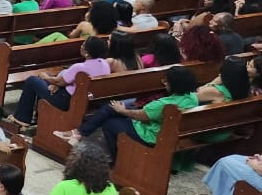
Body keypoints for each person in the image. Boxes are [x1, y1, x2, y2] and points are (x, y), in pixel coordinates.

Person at [52, 64, 200, 161]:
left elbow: (141, 116)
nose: (164, 83)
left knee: (111, 123)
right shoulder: (192, 97)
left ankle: (117, 160)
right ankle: (77, 133)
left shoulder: (165, 104)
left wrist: (122, 110)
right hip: (164, 130)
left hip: (151, 135)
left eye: (167, 82)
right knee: (110, 109)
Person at [11, 35, 111, 128]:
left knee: (32, 80)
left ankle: (21, 119)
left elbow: (59, 82)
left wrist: (44, 76)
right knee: (48, 82)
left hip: (66, 101)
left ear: (87, 52)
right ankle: (39, 117)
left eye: (83, 45)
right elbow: (64, 80)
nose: (81, 46)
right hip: (87, 100)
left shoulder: (80, 67)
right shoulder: (105, 64)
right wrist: (56, 84)